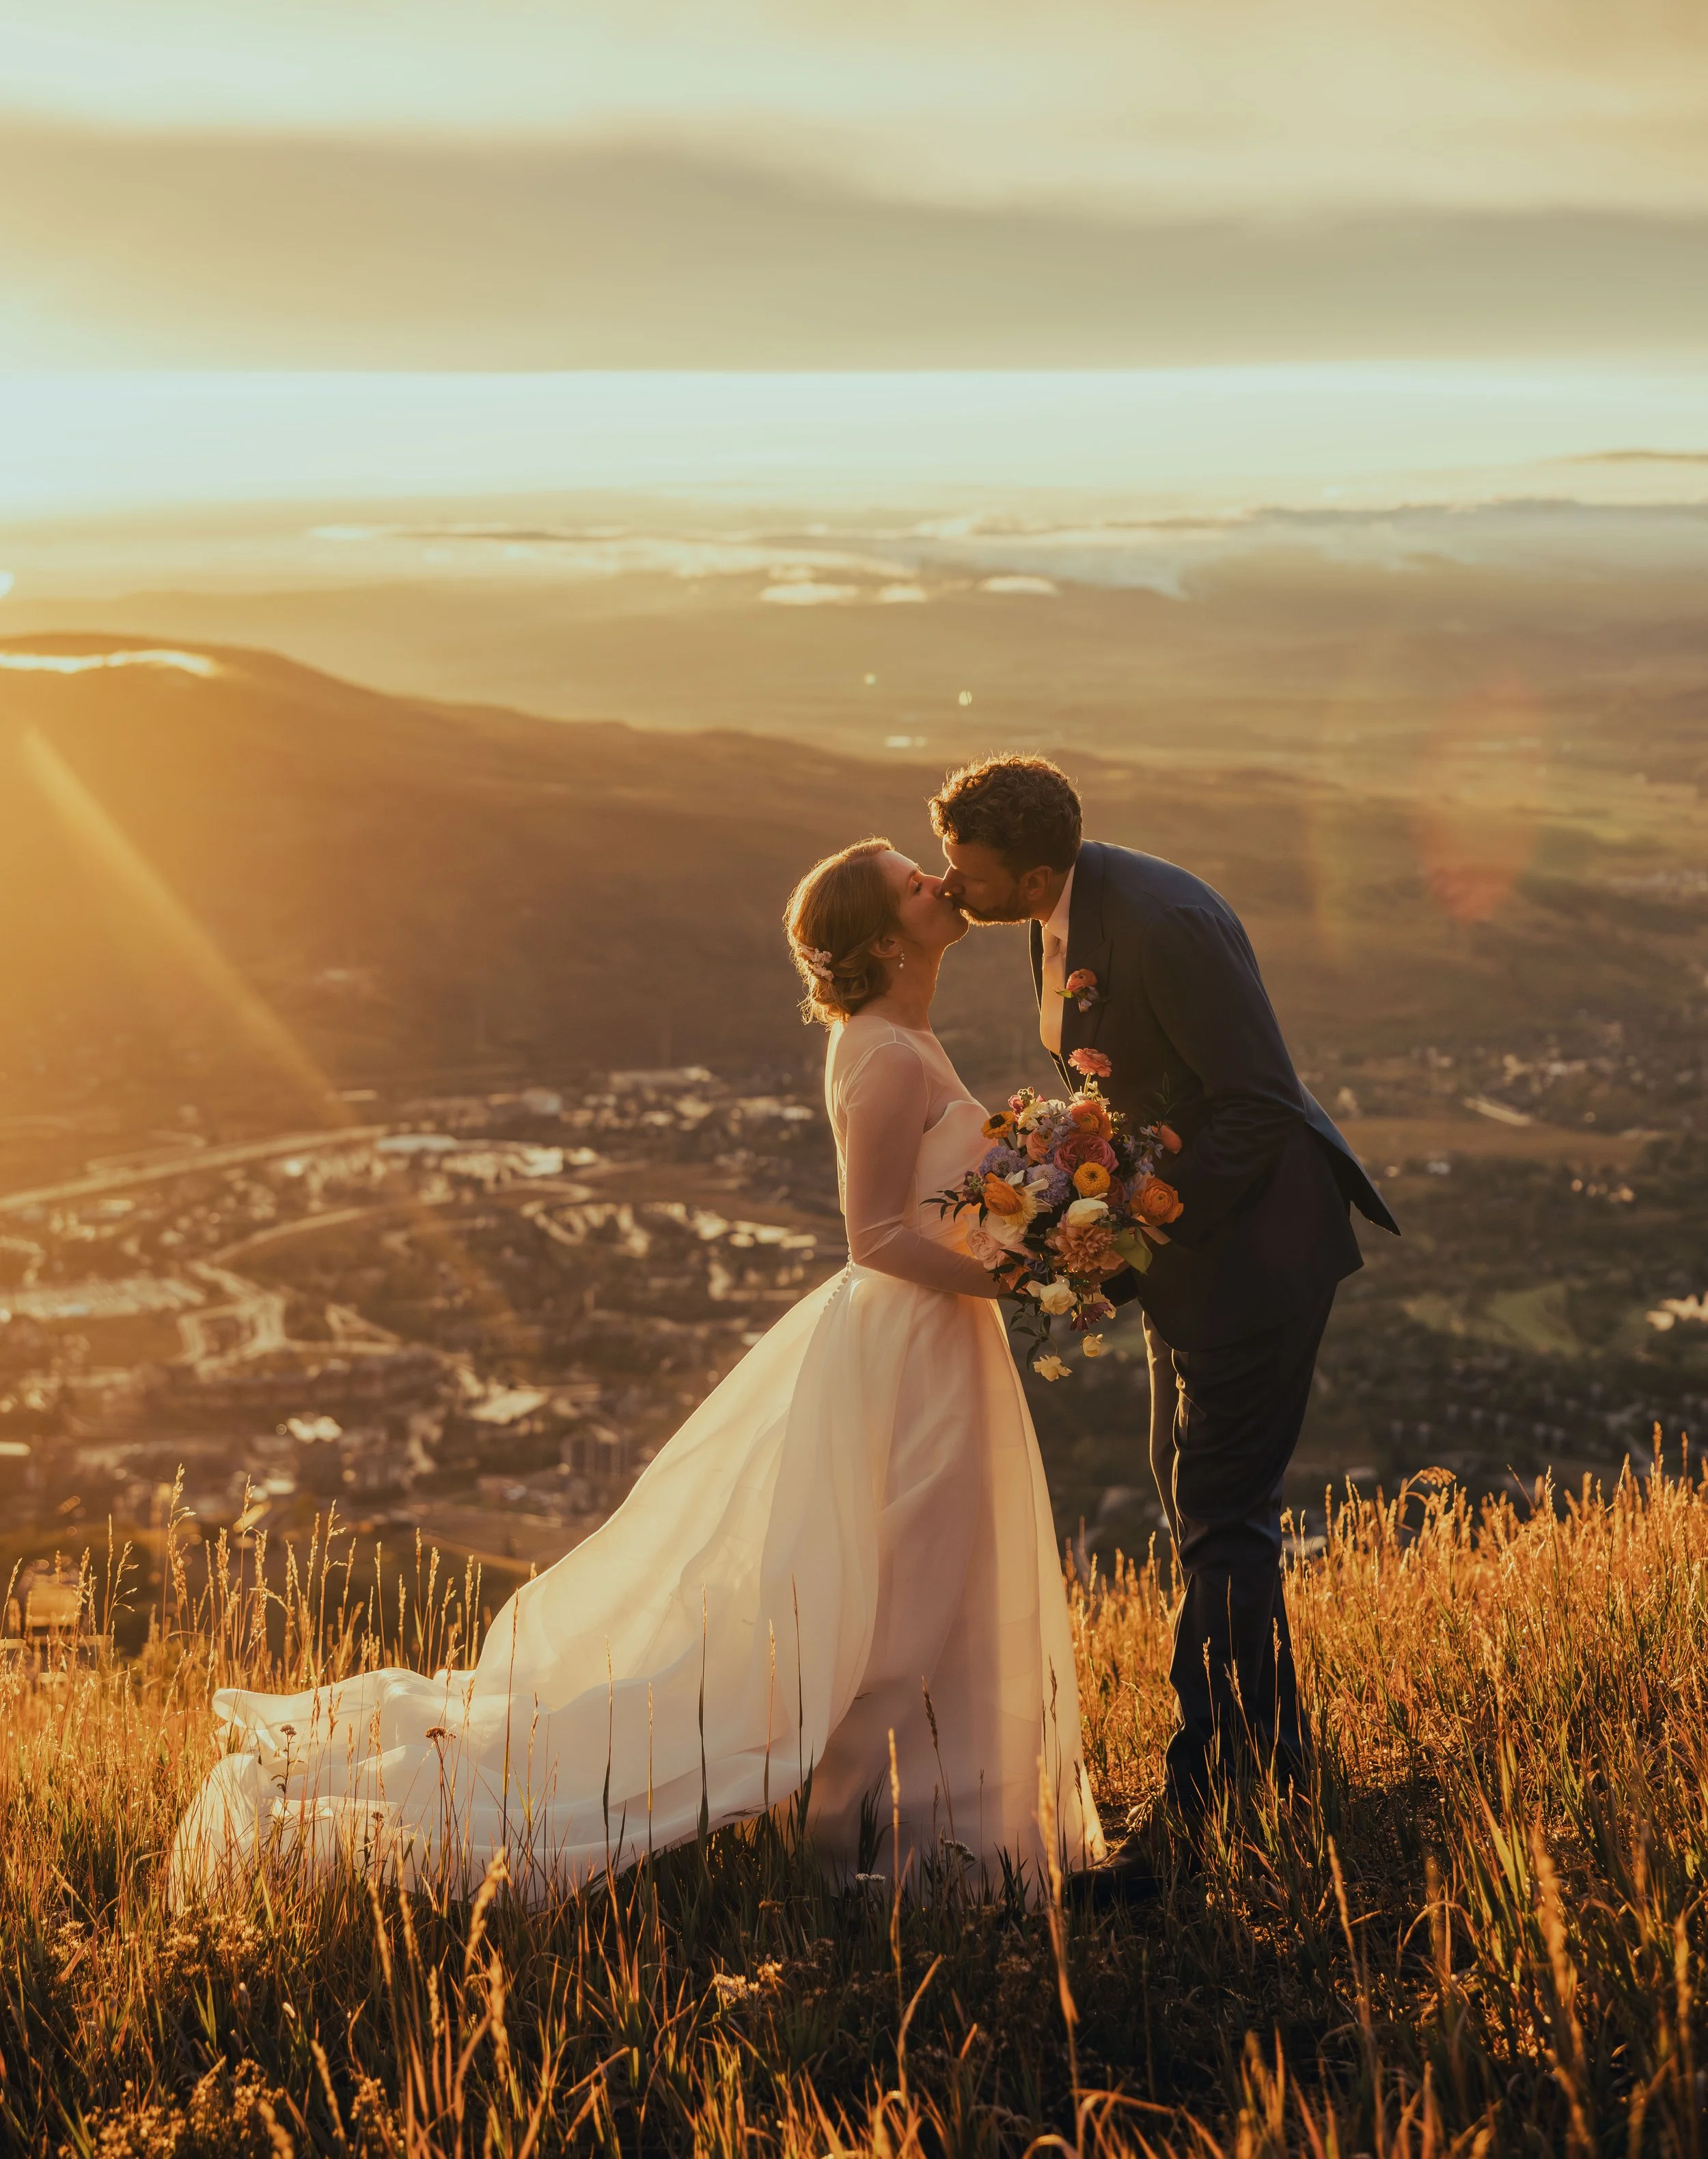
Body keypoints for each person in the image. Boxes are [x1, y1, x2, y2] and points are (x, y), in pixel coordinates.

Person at [171, 836, 1103, 1901]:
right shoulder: (887, 1054)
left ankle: (955, 1832)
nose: (940, 881)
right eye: (912, 880)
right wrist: (1020, 1283)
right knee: (915, 1589)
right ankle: (924, 1849)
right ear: (886, 937)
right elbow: (873, 1236)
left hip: (932, 1335)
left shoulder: (902, 1035)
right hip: (916, 1342)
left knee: (935, 1583)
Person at [932, 754, 1399, 1854]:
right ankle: (1268, 1755)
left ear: (1035, 869)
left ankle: (1212, 1795)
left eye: (969, 873)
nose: (953, 888)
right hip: (1187, 1254)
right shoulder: (1060, 917)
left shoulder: (1162, 922)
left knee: (1222, 1513)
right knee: (1191, 1495)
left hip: (1254, 1252)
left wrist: (1121, 1212)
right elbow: (1130, 1085)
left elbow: (1256, 1105)